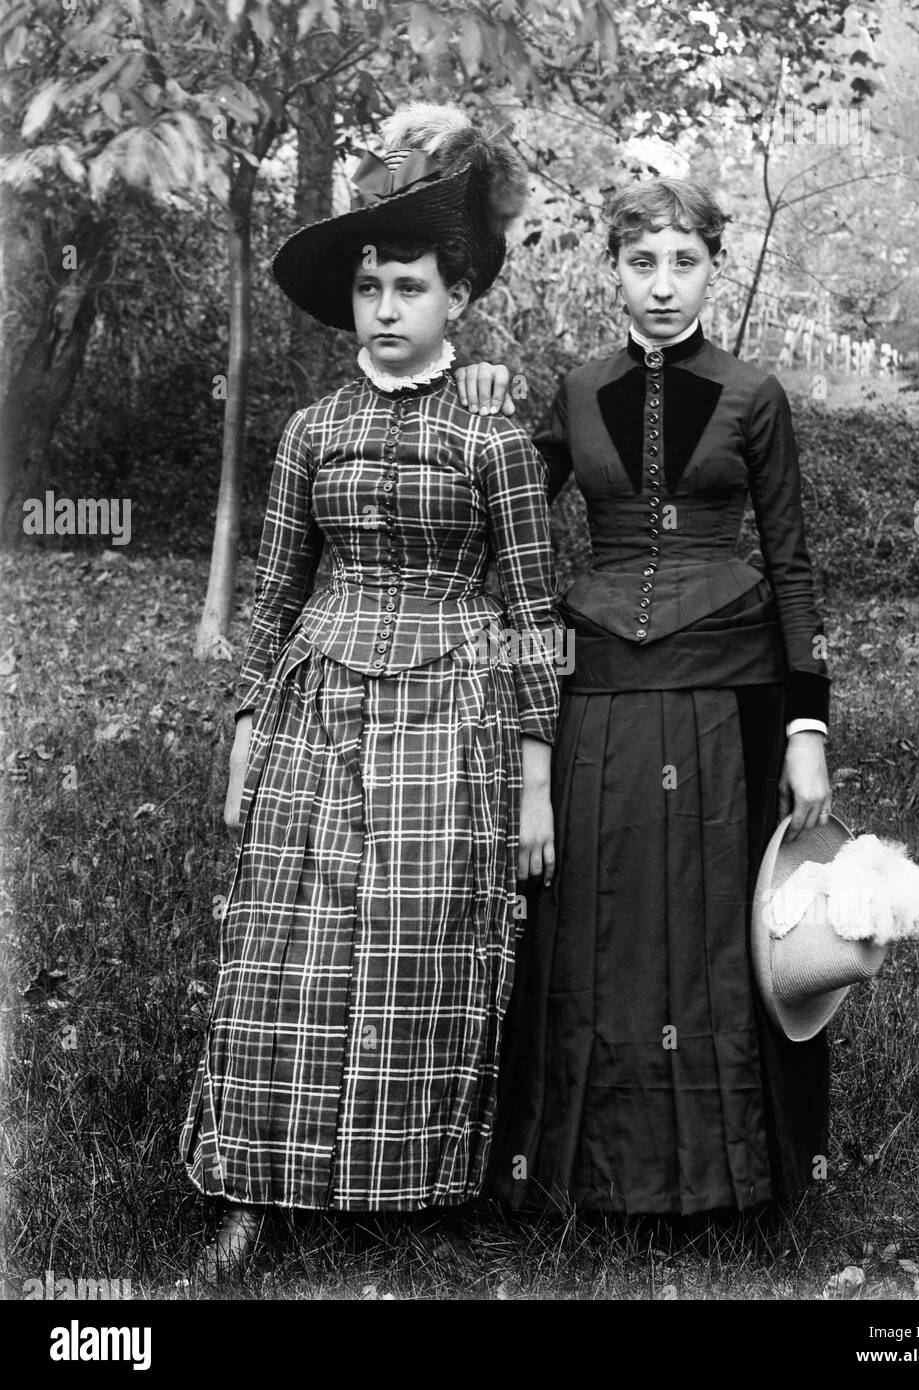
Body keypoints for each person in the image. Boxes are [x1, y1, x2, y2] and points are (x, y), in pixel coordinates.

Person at [180, 103, 560, 1273]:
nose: (386, 311)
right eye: (368, 291)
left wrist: (536, 781)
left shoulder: (493, 437)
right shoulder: (310, 432)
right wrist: (246, 722)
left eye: (409, 289)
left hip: (455, 709)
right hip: (319, 701)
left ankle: (401, 1194)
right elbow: (278, 587)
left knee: (418, 938)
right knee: (285, 942)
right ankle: (257, 1187)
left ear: (458, 299)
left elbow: (536, 614)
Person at [455, 178, 832, 1219]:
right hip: (601, 688)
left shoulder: (755, 395)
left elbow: (793, 569)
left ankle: (726, 1178)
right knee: (598, 915)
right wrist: (468, 394)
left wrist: (809, 730)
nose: (663, 285)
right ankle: (583, 1174)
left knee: (711, 916)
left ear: (713, 266)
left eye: (684, 262)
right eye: (642, 262)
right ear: (612, 269)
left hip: (730, 691)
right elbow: (501, 506)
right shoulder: (576, 389)